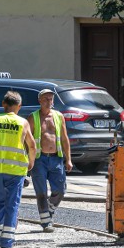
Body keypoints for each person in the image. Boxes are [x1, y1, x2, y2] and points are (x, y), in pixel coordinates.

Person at [0, 91, 36, 248]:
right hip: (16, 171)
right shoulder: (23, 123)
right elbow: (32, 146)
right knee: (12, 206)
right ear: (19, 106)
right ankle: (7, 246)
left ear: (4, 104)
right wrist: (30, 163)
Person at [27, 88, 72, 232]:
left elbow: (64, 139)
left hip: (56, 158)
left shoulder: (58, 116)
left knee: (60, 190)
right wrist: (28, 161)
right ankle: (46, 222)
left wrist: (68, 159)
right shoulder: (33, 117)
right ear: (39, 101)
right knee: (41, 192)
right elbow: (26, 141)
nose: (49, 102)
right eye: (46, 99)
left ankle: (49, 210)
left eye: (51, 99)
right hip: (39, 160)